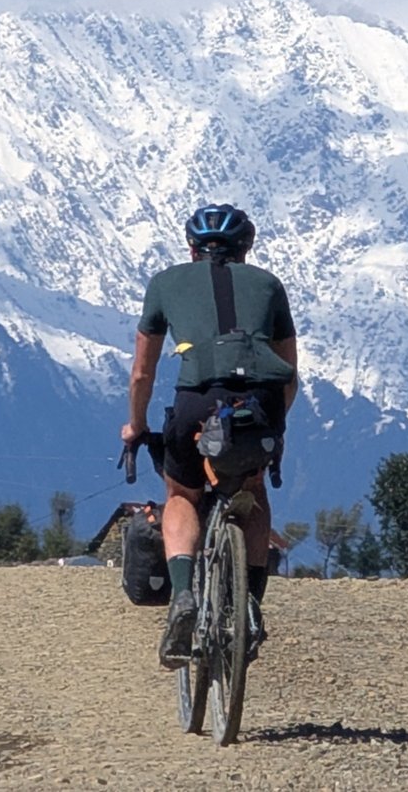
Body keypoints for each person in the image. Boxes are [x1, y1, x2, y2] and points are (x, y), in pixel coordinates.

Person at [121, 203, 298, 669]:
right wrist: (273, 426)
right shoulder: (269, 284)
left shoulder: (165, 283)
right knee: (253, 492)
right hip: (260, 404)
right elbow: (290, 375)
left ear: (191, 249)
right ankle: (250, 606)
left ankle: (183, 595)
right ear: (246, 248)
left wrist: (135, 426)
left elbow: (142, 373)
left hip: (197, 401)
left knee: (182, 494)